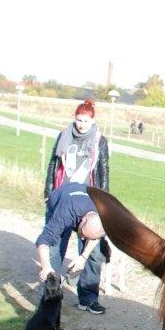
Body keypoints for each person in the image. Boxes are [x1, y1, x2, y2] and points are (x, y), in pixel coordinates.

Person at [44, 98, 109, 277]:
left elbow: (103, 170)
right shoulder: (64, 136)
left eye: (86, 121)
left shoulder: (100, 141)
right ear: (74, 118)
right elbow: (53, 164)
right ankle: (51, 288)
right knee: (55, 247)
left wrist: (104, 202)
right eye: (79, 120)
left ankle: (85, 291)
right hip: (62, 198)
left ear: (93, 121)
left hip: (88, 202)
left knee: (91, 251)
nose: (81, 125)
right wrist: (48, 193)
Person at [36, 183, 108, 315]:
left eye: (86, 237)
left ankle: (88, 300)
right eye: (82, 234)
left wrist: (83, 256)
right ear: (83, 219)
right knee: (55, 251)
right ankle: (48, 303)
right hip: (61, 204)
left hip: (83, 208)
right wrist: (46, 267)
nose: (82, 238)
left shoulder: (102, 211)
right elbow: (44, 240)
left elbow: (96, 237)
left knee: (95, 254)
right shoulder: (64, 213)